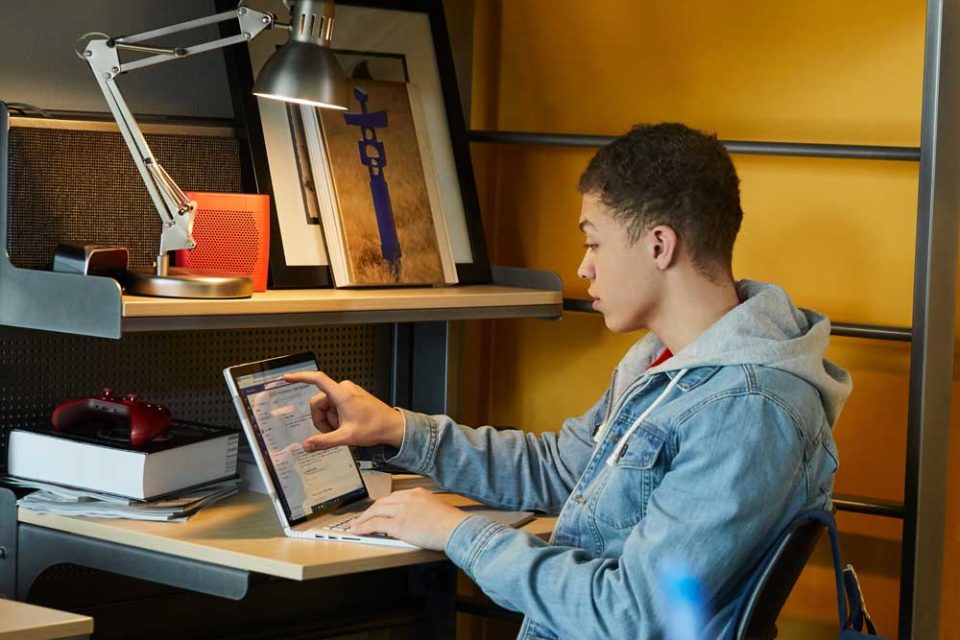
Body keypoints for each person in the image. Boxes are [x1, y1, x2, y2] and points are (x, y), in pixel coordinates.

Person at [284, 123, 852, 639]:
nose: (583, 267)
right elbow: (562, 469)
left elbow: (632, 615)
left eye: (594, 242)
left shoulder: (746, 412)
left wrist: (457, 534)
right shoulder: (666, 365)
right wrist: (398, 429)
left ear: (658, 245)